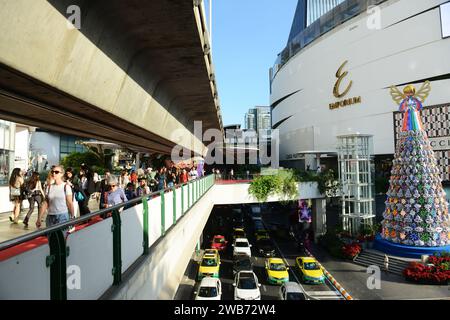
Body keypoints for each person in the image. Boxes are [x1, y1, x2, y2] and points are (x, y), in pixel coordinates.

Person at [36, 166, 74, 236]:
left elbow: (70, 203)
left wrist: (72, 217)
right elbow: (45, 203)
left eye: (56, 172)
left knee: (61, 238)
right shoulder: (49, 187)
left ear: (61, 174)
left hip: (62, 216)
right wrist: (39, 218)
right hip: (50, 217)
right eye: (52, 172)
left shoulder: (66, 187)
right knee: (51, 239)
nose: (54, 173)